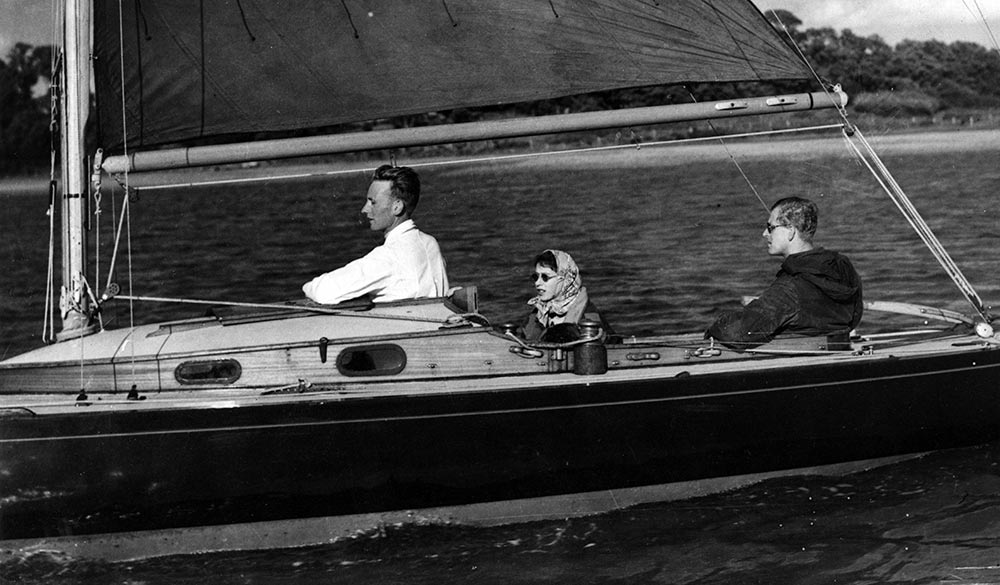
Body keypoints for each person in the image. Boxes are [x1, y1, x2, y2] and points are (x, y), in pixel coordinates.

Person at [705, 196, 863, 350]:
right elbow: (853, 318)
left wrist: (719, 323)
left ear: (790, 231)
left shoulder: (789, 288)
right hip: (835, 354)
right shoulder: (843, 266)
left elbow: (737, 333)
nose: (764, 234)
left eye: (770, 228)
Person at [302, 164, 449, 304]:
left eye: (373, 202)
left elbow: (322, 291)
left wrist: (308, 287)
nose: (364, 209)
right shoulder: (430, 243)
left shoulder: (388, 257)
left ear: (397, 207)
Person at [521, 249, 607, 341]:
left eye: (545, 277)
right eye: (536, 277)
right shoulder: (538, 313)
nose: (537, 283)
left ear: (565, 279)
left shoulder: (590, 318)